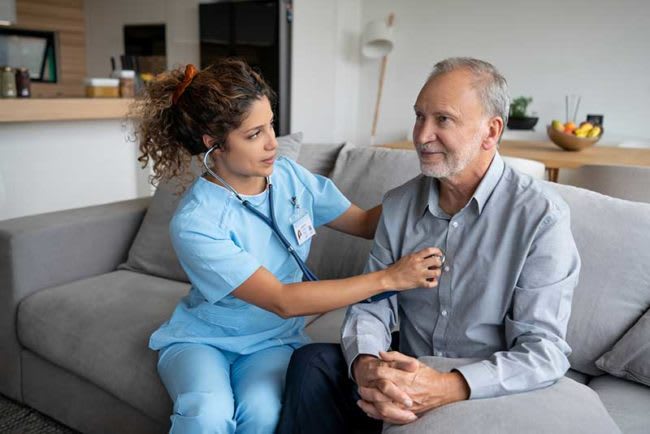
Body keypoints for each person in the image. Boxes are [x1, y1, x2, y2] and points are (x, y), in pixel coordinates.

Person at [134, 59, 441, 434]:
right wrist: (389, 279)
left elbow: (364, 223)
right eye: (253, 134)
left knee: (263, 415)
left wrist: (429, 182)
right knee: (207, 413)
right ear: (213, 143)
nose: (271, 144)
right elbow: (283, 300)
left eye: (271, 126)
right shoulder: (196, 222)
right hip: (204, 340)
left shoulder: (289, 177)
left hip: (272, 340)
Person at [277, 57, 581, 433]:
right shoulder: (400, 204)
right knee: (311, 364)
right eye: (419, 116)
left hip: (481, 380)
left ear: (491, 131)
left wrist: (447, 385)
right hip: (407, 366)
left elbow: (543, 350)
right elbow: (373, 308)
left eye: (443, 119)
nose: (421, 136)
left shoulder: (540, 217)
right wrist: (367, 366)